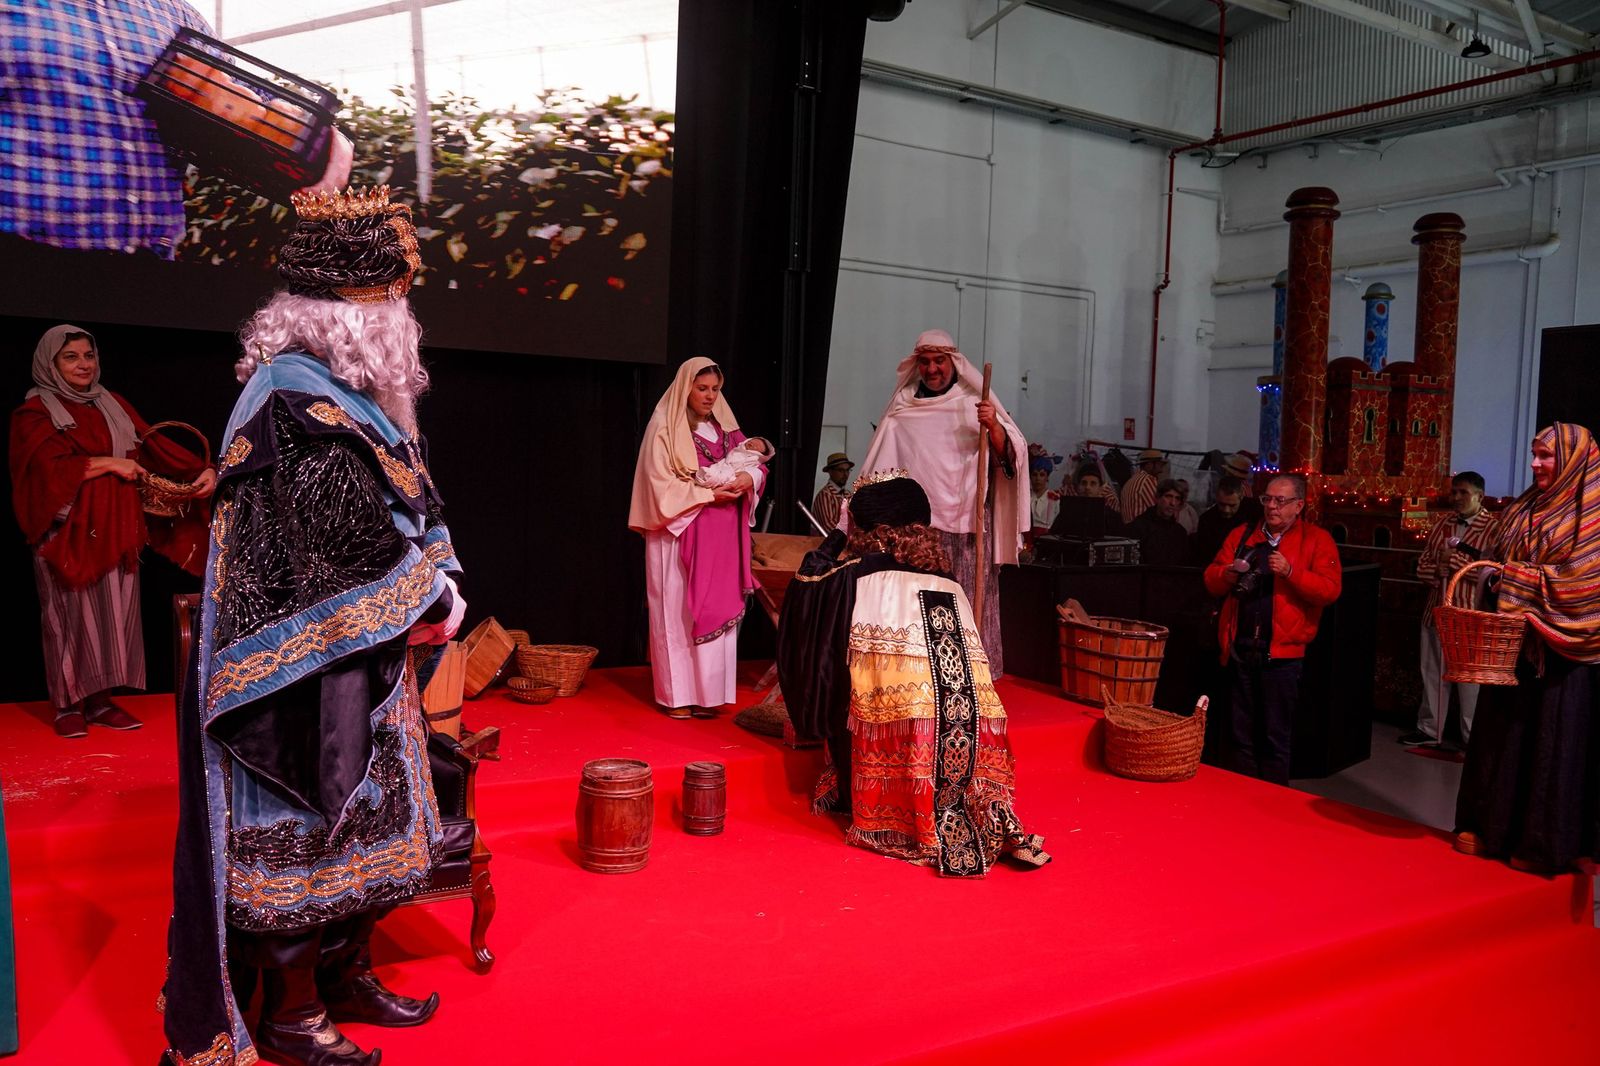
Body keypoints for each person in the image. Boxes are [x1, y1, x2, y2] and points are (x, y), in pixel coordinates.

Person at [161, 186, 463, 1066]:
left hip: (359, 652)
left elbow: (407, 493)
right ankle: (292, 1018)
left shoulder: (345, 390)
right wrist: (432, 598)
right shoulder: (289, 399)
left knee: (367, 821)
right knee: (307, 831)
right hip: (295, 670)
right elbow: (337, 537)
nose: (405, 325)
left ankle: (343, 974)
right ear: (352, 317)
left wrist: (439, 574)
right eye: (394, 306)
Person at [777, 472, 1048, 876]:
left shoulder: (855, 576)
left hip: (901, 742)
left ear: (864, 526)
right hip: (967, 742)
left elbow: (807, 585)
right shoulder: (949, 582)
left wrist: (835, 535)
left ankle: (888, 810)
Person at [0, 0, 352, 257]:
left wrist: (329, 144)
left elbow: (253, 105)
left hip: (150, 271)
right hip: (23, 266)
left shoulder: (174, 15)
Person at [10, 325, 215, 737]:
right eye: (71, 357)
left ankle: (100, 701)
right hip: (67, 531)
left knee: (113, 617)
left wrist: (202, 470)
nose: (83, 364)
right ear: (50, 363)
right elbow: (44, 473)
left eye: (89, 355)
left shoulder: (111, 404)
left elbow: (153, 448)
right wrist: (109, 463)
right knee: (67, 618)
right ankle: (67, 706)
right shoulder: (35, 413)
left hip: (117, 524)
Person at [1454, 424, 1600, 875]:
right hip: (1515, 648)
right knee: (1502, 738)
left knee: (1556, 746)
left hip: (1567, 656)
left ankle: (1546, 844)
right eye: (1534, 454)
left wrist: (1515, 579)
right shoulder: (1523, 507)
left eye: (1546, 456)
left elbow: (1585, 585)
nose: (1535, 463)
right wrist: (1495, 577)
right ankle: (1492, 829)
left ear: (1574, 460)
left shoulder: (1592, 513)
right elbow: (1494, 558)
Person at [856, 329, 1028, 676]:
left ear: (954, 363)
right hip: (919, 531)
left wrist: (993, 426)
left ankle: (976, 674)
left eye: (939, 361)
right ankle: (926, 675)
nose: (932, 369)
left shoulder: (973, 403)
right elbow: (882, 460)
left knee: (970, 599)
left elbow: (1011, 455)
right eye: (925, 362)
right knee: (922, 602)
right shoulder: (903, 407)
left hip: (967, 525)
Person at [630, 357, 764, 718]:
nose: (709, 396)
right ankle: (676, 697)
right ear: (685, 388)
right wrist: (706, 495)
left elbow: (754, 462)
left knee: (714, 607)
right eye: (702, 388)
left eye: (715, 389)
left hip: (719, 533)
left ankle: (708, 696)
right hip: (676, 528)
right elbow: (658, 485)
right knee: (675, 612)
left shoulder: (725, 428)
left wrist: (749, 479)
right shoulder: (664, 427)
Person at [1203, 474, 1342, 784]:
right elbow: (1211, 579)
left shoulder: (1316, 540)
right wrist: (1227, 574)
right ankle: (1241, 795)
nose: (1272, 506)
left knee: (1275, 738)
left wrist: (1291, 573)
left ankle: (1274, 800)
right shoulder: (1243, 534)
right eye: (1267, 499)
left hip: (1282, 656)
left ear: (1299, 506)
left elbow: (1330, 590)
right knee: (1239, 734)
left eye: (1281, 501)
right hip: (1239, 648)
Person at [1403, 471, 1496, 748]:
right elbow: (1423, 565)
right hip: (1436, 611)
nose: (1456, 497)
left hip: (1470, 616)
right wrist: (1437, 570)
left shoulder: (1494, 529)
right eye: (1454, 491)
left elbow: (1494, 573)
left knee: (1469, 680)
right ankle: (1429, 730)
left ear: (1479, 496)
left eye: (1463, 492)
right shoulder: (1442, 524)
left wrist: (1456, 564)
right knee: (1432, 672)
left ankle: (1472, 738)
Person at [1125, 479, 1191, 567]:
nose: (1173, 503)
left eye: (1177, 498)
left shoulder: (1180, 532)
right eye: (1168, 496)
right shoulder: (1138, 527)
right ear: (1157, 498)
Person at [1190, 476, 1248, 567]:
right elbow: (1204, 557)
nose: (1226, 510)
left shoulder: (1253, 512)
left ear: (1241, 497)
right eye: (1222, 504)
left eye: (1232, 505)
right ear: (1216, 497)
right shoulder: (1206, 520)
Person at [1119, 448, 1167, 524]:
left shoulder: (1131, 480)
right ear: (1150, 464)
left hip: (1129, 528)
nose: (1161, 470)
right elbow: (1159, 510)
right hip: (1141, 529)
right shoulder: (1147, 480)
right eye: (1159, 465)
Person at [811, 451, 854, 532]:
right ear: (830, 471)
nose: (845, 474)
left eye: (847, 470)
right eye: (841, 470)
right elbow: (829, 527)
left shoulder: (848, 494)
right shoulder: (824, 495)